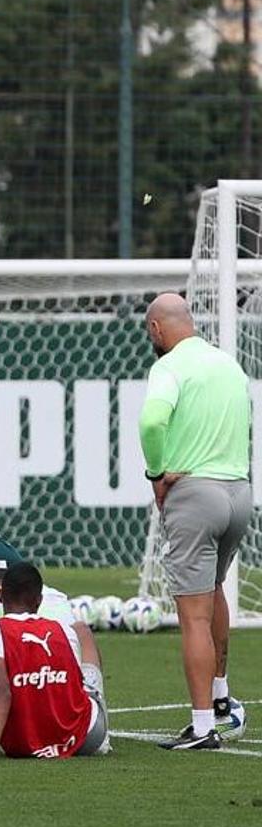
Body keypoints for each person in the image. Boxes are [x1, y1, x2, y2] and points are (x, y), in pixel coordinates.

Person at [140, 291, 254, 749]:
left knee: (193, 616)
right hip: (239, 493)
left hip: (195, 494)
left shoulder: (168, 366)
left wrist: (156, 473)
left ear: (156, 328)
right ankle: (223, 698)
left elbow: (151, 423)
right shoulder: (228, 363)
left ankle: (204, 727)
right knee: (214, 593)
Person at [0, 562, 109, 762]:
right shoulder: (65, 631)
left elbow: (0, 692)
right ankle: (105, 740)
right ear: (39, 601)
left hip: (21, 743)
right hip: (86, 738)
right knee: (83, 634)